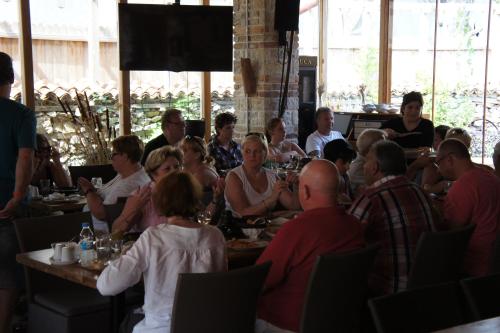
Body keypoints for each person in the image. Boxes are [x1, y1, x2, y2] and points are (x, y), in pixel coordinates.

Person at [97, 172, 226, 333]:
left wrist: (126, 254)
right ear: (195, 199)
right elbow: (221, 285)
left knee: (126, 322)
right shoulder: (215, 236)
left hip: (162, 328)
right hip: (208, 325)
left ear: (159, 202)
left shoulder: (154, 237)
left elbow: (106, 286)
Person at [255, 160, 364, 333]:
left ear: (304, 191)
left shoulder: (297, 229)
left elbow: (259, 279)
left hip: (287, 323)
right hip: (339, 319)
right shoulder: (355, 226)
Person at [349, 140, 436, 295]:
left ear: (375, 167)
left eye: (366, 160)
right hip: (427, 287)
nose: (363, 166)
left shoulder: (372, 197)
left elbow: (344, 239)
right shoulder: (420, 191)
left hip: (388, 292)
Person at [0, 51, 36, 333]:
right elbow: (25, 158)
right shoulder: (21, 115)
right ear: (11, 79)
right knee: (9, 277)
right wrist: (16, 196)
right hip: (7, 205)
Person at [436, 139, 500, 276]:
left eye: (438, 162)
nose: (438, 168)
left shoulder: (462, 187)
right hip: (495, 262)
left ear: (450, 160)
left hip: (476, 267)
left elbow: (451, 233)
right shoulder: (490, 176)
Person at [79, 135, 151, 232]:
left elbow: (101, 213)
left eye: (113, 155)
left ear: (125, 156)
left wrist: (88, 190)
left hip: (100, 233)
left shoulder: (129, 184)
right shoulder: (129, 174)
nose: (111, 158)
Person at [225, 134, 300, 218]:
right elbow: (243, 213)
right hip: (241, 227)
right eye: (248, 151)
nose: (252, 155)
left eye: (257, 151)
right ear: (242, 153)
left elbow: (294, 206)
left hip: (267, 224)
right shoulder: (234, 176)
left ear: (265, 154)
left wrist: (296, 186)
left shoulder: (272, 176)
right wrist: (271, 199)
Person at [111, 146, 183, 234]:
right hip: (151, 245)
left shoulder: (185, 191)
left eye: (177, 167)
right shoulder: (142, 195)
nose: (174, 171)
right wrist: (135, 208)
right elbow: (116, 231)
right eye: (167, 169)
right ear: (153, 174)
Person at [347, 129, 386, 197]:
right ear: (371, 149)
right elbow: (375, 187)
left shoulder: (369, 161)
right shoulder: (358, 167)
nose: (387, 147)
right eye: (383, 145)